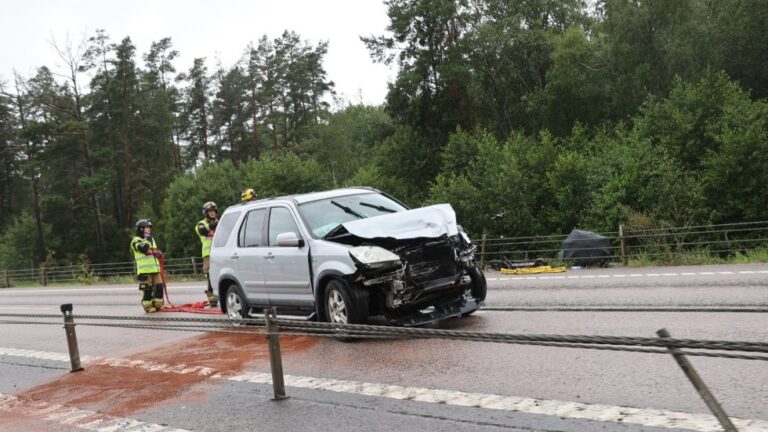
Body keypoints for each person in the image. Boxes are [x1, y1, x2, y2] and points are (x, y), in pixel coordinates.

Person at [131, 219, 164, 313]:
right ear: (141, 229)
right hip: (144, 271)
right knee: (147, 290)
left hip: (155, 269)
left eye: (149, 227)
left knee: (159, 288)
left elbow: (155, 251)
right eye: (146, 227)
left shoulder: (151, 239)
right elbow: (143, 249)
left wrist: (159, 253)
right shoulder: (136, 240)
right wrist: (147, 240)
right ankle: (148, 307)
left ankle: (158, 306)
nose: (149, 229)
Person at [196, 201, 219, 307]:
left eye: (213, 211)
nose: (212, 213)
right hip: (208, 254)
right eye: (210, 211)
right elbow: (204, 231)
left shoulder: (220, 222)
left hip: (220, 253)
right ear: (206, 213)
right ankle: (212, 298)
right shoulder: (201, 224)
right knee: (210, 276)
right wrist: (216, 224)